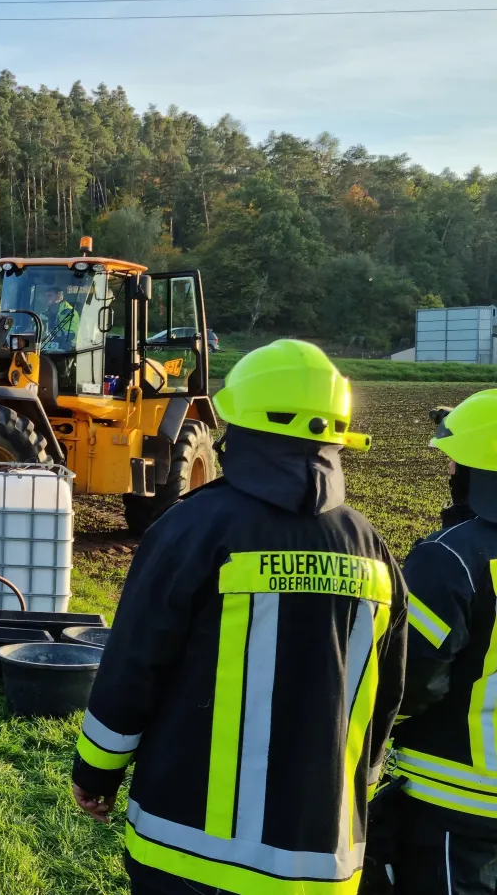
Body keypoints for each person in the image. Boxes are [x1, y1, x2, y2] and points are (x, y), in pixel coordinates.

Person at [69, 339, 407, 895]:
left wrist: (96, 772)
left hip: (186, 851)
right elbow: (386, 694)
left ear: (240, 426)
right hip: (319, 862)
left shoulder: (191, 529)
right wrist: (357, 788)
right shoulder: (373, 550)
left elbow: (133, 666)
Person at [380, 389, 497, 893]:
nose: (448, 473)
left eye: (455, 463)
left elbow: (413, 680)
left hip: (457, 800)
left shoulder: (450, 557)